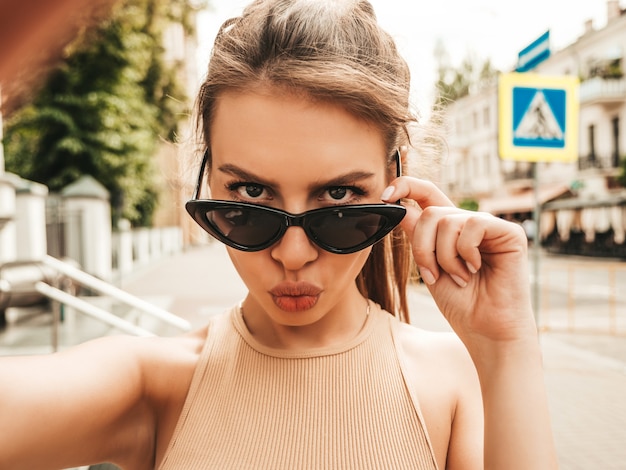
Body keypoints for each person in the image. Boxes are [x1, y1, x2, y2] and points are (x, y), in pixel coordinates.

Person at [0, 0, 558, 469]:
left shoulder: (457, 383)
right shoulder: (154, 385)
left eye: (339, 198)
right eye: (250, 198)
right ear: (208, 177)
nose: (293, 255)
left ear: (396, 180)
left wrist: (506, 347)